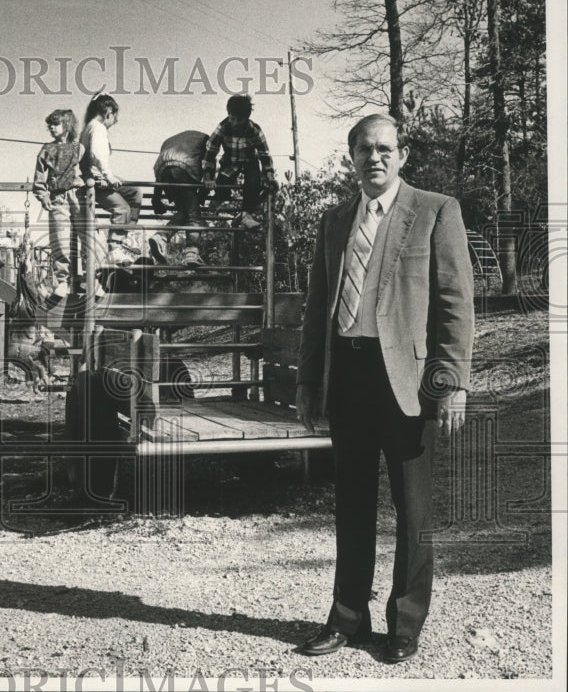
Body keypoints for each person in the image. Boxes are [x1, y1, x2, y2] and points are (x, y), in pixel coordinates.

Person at [295, 113, 474, 664]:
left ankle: (405, 623)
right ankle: (347, 617)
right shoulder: (334, 221)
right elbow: (316, 310)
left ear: (402, 155)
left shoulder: (435, 210)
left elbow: (454, 304)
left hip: (408, 382)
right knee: (350, 504)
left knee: (413, 508)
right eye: (364, 149)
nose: (374, 157)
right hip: (347, 375)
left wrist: (451, 384)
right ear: (351, 157)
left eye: (384, 149)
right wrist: (307, 383)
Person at [79, 94, 143, 267]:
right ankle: (115, 248)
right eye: (115, 116)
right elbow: (97, 154)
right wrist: (109, 176)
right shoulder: (98, 128)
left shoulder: (89, 127)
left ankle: (124, 238)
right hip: (96, 179)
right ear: (108, 112)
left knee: (135, 192)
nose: (115, 121)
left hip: (96, 175)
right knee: (122, 208)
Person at [202, 93, 277, 229]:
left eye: (239, 120)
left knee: (254, 182)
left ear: (247, 118)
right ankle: (221, 208)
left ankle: (245, 214)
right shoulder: (223, 127)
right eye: (233, 118)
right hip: (229, 162)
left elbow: (264, 154)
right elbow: (210, 152)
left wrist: (269, 173)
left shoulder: (254, 130)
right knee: (222, 187)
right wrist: (208, 176)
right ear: (229, 115)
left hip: (249, 161)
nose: (235, 123)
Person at [33, 109, 84, 298]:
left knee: (89, 235)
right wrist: (43, 195)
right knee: (60, 241)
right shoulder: (47, 149)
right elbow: (39, 178)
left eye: (55, 124)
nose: (51, 128)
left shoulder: (80, 148)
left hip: (79, 196)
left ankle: (91, 278)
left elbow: (91, 169)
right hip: (57, 198)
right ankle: (63, 281)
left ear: (67, 125)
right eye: (49, 125)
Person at [148, 130, 210, 267]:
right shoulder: (208, 141)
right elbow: (209, 167)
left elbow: (162, 167)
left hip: (163, 173)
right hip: (183, 170)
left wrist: (156, 197)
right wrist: (203, 195)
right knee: (194, 214)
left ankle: (161, 237)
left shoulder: (170, 140)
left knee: (185, 210)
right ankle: (191, 253)